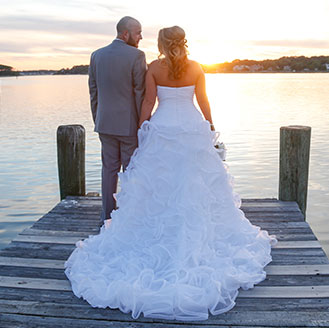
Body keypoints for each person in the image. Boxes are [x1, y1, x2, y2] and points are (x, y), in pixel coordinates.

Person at [65, 26, 277, 321]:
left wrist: (142, 128)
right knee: (194, 184)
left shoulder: (154, 67)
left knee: (159, 187)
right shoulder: (195, 68)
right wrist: (210, 125)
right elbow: (203, 101)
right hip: (190, 128)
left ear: (162, 44)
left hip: (163, 129)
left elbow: (148, 102)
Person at [88, 16, 147, 225]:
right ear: (125, 34)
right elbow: (140, 93)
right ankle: (130, 215)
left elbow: (93, 92)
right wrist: (143, 124)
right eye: (138, 32)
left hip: (104, 123)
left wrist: (98, 118)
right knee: (131, 171)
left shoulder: (96, 55)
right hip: (129, 125)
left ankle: (107, 216)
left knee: (108, 170)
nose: (141, 37)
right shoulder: (137, 56)